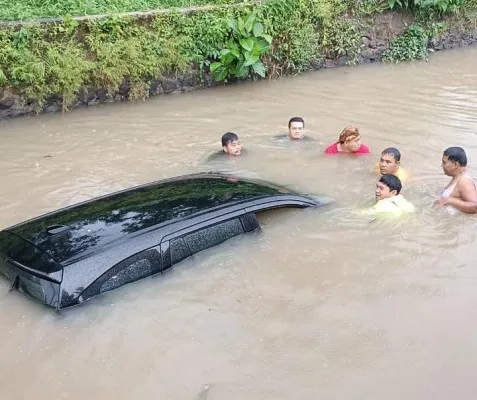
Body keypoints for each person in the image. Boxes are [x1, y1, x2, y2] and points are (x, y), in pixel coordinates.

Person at [435, 146, 477, 214]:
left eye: (444, 162)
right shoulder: (458, 176)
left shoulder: (464, 181)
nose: (442, 165)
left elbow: (475, 206)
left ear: (455, 165)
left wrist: (450, 201)